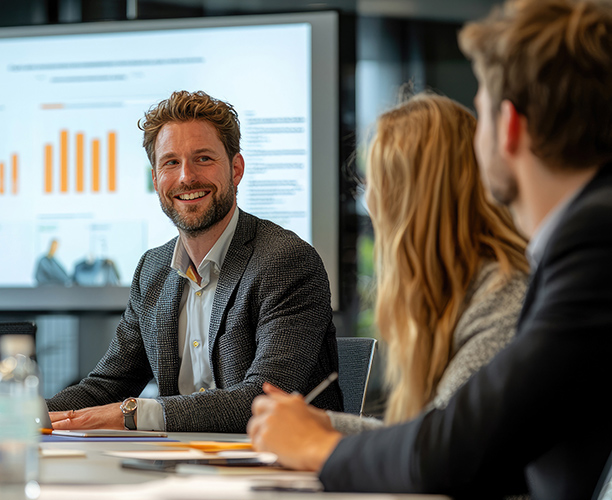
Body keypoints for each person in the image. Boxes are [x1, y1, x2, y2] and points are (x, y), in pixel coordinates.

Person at [247, 0, 612, 497]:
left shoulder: (585, 247)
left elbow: (459, 449)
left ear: (507, 127)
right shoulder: (572, 246)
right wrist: (321, 431)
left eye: (479, 112)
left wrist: (319, 446)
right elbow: (459, 434)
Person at [48, 90, 342, 433]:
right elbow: (106, 387)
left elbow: (263, 400)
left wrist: (135, 413)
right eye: (171, 162)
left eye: (203, 158)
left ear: (235, 169)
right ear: (156, 179)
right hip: (183, 466)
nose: (186, 177)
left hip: (279, 468)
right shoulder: (153, 270)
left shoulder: (286, 261)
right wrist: (11, 415)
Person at [329, 92, 529, 435]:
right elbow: (423, 436)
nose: (369, 203)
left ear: (408, 203)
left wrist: (321, 435)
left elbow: (441, 446)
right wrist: (321, 426)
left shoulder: (504, 296)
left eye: (375, 184)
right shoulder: (451, 296)